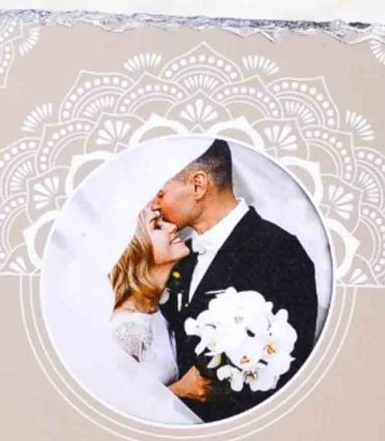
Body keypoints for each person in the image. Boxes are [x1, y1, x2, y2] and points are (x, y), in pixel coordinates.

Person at [151, 139, 318, 422]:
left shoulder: (280, 251)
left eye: (160, 194)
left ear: (198, 185)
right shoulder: (179, 257)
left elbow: (291, 369)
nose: (154, 205)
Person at [108, 207, 190, 387]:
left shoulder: (155, 306)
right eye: (157, 226)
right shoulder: (126, 331)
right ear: (134, 250)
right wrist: (180, 391)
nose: (172, 227)